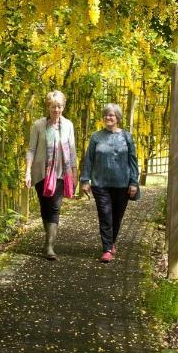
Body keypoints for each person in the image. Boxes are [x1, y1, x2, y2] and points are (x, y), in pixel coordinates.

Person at [80, 103, 139, 263]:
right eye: (106, 115)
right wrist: (85, 180)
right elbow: (89, 160)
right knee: (105, 215)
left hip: (122, 184)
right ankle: (107, 249)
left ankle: (111, 242)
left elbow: (133, 161)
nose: (108, 117)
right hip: (100, 184)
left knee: (116, 217)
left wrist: (134, 182)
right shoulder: (96, 137)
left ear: (118, 118)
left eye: (111, 115)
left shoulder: (127, 137)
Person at [24, 90, 77, 260]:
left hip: (61, 172)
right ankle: (48, 240)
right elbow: (31, 150)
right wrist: (27, 172)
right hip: (41, 172)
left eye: (60, 106)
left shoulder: (68, 125)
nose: (57, 110)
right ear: (48, 106)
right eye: (54, 106)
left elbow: (73, 150)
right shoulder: (38, 125)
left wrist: (74, 173)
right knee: (45, 207)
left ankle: (49, 245)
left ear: (64, 107)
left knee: (55, 206)